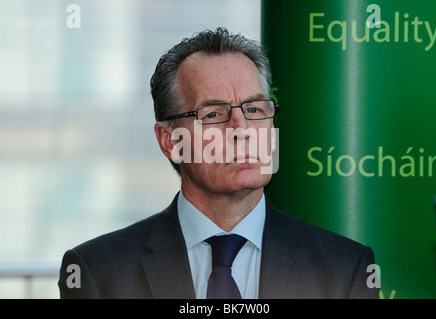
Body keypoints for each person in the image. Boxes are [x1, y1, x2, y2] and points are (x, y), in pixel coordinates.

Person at [58, 27, 379, 299]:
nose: (242, 129)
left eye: (254, 109)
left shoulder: (346, 269)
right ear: (170, 141)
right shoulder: (98, 273)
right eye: (213, 114)